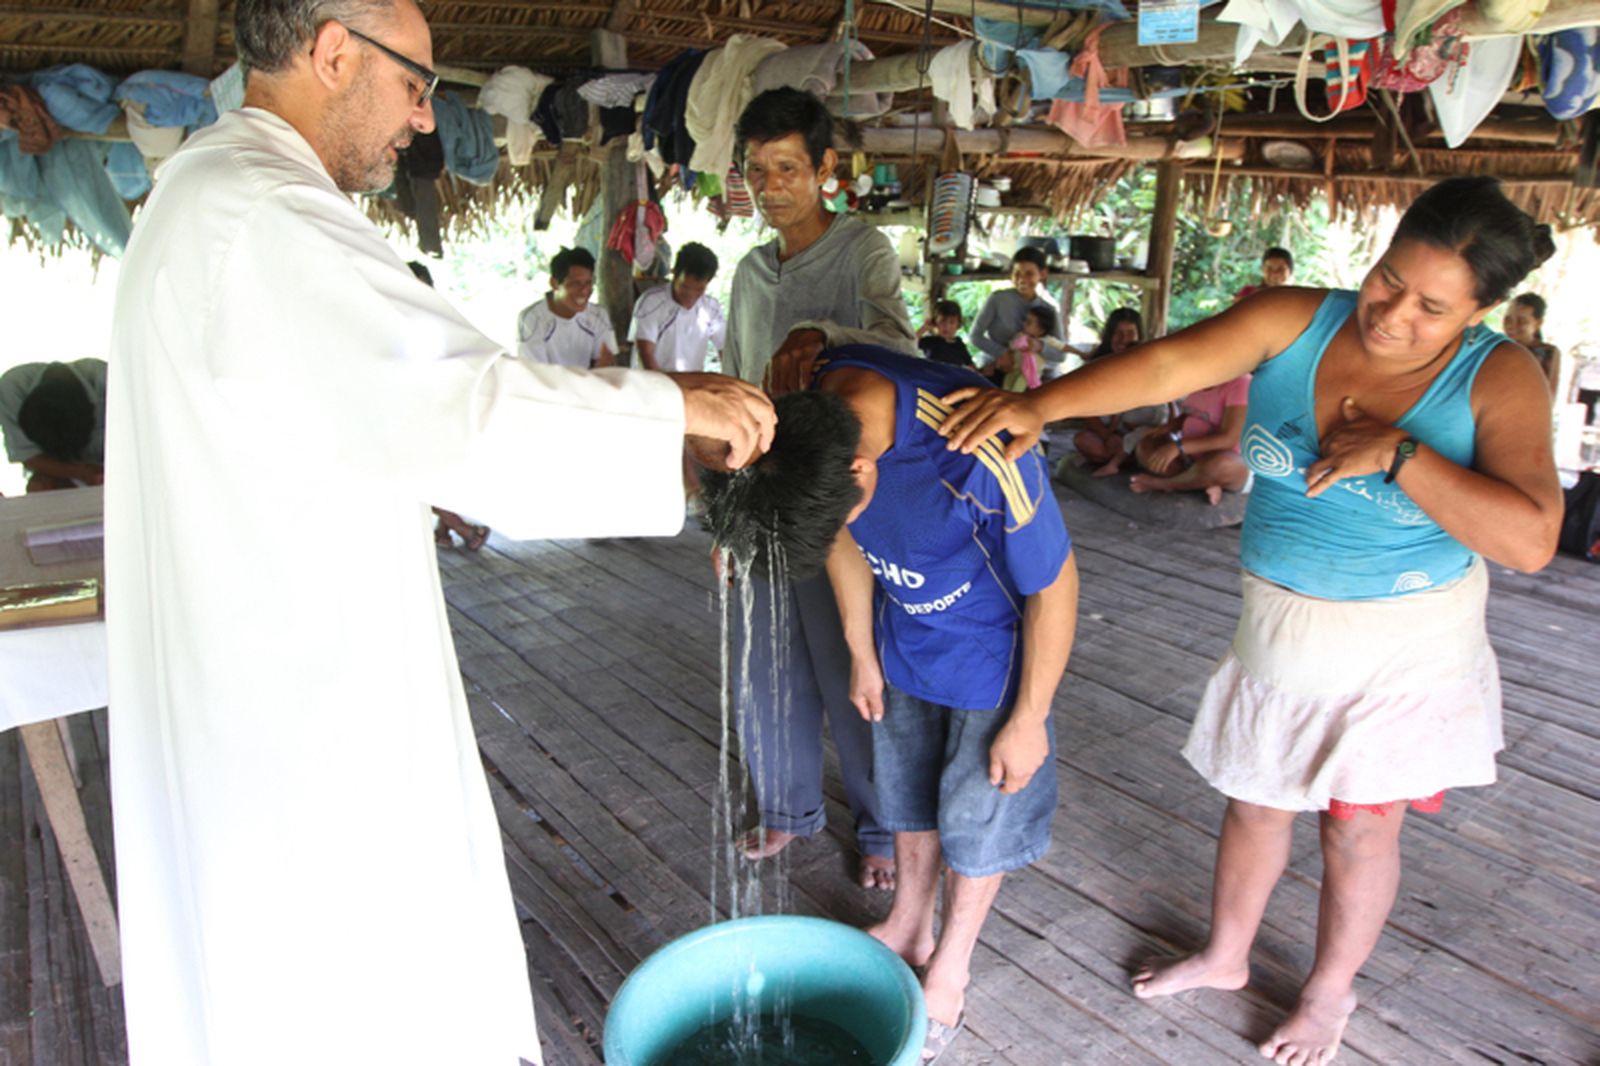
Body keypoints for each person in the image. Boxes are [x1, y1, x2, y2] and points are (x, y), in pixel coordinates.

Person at [104, 3, 775, 1064]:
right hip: (298, 709)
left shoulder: (204, 189)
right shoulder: (263, 211)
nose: (424, 119)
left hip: (261, 664)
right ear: (334, 52)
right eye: (417, 85)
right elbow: (455, 405)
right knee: (354, 988)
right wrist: (672, 411)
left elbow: (389, 406)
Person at [939, 176, 1562, 1065]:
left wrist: (1402, 455)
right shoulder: (1293, 320)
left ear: (1480, 313)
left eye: (1431, 308)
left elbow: (1532, 540)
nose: (1392, 315)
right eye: (1389, 280)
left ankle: (1329, 994)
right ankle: (1227, 955)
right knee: (1257, 799)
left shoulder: (1497, 376)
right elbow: (1166, 366)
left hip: (1408, 639)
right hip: (1280, 622)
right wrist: (1039, 404)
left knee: (1358, 824)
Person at [700, 344, 1078, 1062]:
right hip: (906, 644)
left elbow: (1055, 587)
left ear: (863, 470)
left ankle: (951, 967)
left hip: (993, 665)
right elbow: (841, 532)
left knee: (979, 820)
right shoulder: (811, 416)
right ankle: (908, 925)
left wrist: (1029, 717)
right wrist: (863, 651)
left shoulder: (977, 447)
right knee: (905, 793)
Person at [722, 86, 917, 890]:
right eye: (757, 171)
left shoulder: (862, 251)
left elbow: (901, 346)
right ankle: (787, 807)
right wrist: (724, 518)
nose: (771, 187)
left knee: (852, 665)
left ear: (825, 166)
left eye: (787, 168)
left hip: (843, 505)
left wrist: (822, 333)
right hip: (765, 497)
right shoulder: (749, 274)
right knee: (767, 663)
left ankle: (881, 825)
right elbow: (735, 388)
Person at [408, 260, 491, 549]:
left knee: (443, 470)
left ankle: (449, 530)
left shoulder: (440, 321)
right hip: (410, 409)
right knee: (416, 475)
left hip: (439, 404)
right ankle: (461, 529)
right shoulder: (389, 323)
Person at [1128, 374, 1253, 505]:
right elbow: (1190, 414)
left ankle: (1164, 484)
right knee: (1147, 446)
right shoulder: (1199, 380)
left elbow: (1230, 439)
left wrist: (1179, 447)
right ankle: (1199, 482)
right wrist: (1166, 428)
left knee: (1220, 465)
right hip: (1190, 460)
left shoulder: (1241, 383)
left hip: (1230, 460)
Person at [0, 359, 107, 492]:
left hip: (115, 465)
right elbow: (27, 456)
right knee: (39, 487)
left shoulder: (110, 382)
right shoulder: (13, 388)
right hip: (72, 470)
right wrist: (81, 472)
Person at [629, 242, 727, 374]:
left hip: (690, 382)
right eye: (685, 287)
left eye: (699, 289)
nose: (691, 295)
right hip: (651, 380)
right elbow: (646, 353)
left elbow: (726, 351)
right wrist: (663, 383)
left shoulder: (711, 309)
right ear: (674, 273)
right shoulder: (651, 303)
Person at [970, 247, 1067, 377]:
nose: (1022, 279)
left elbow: (1061, 354)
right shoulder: (997, 299)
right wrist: (1002, 352)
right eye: (1017, 273)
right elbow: (975, 336)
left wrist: (1039, 346)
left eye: (1029, 274)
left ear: (1043, 274)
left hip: (1029, 375)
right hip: (995, 368)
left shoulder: (1049, 310)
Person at [1070, 308, 1143, 475]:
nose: (1124, 339)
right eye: (1118, 333)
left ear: (1139, 335)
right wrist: (1107, 436)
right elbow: (1086, 411)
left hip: (1136, 436)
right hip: (1106, 436)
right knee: (1082, 440)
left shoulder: (1148, 365)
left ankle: (1120, 459)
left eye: (1130, 333)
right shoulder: (1095, 366)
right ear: (1109, 335)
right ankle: (1120, 459)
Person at [516, 246, 616, 368]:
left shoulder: (598, 316)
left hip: (588, 380)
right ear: (554, 283)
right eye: (576, 283)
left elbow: (604, 367)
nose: (584, 290)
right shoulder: (533, 319)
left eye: (588, 283)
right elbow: (536, 372)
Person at [1501, 292, 1561, 398]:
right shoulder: (1497, 347)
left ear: (1538, 323)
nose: (1512, 325)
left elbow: (1548, 396)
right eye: (1508, 319)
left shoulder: (1548, 353)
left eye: (1522, 321)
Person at [1001, 305, 1052, 392]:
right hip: (1014, 369)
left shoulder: (1046, 342)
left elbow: (1060, 350)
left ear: (1040, 330)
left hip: (1029, 375)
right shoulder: (1020, 336)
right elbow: (1012, 346)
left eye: (1028, 323)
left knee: (1016, 390)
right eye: (1025, 320)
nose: (1024, 324)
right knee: (1006, 386)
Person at [917, 299, 975, 369]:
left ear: (958, 324)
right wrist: (924, 328)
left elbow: (971, 366)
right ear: (935, 322)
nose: (947, 326)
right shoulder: (931, 341)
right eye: (942, 321)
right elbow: (910, 342)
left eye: (952, 322)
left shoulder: (959, 345)